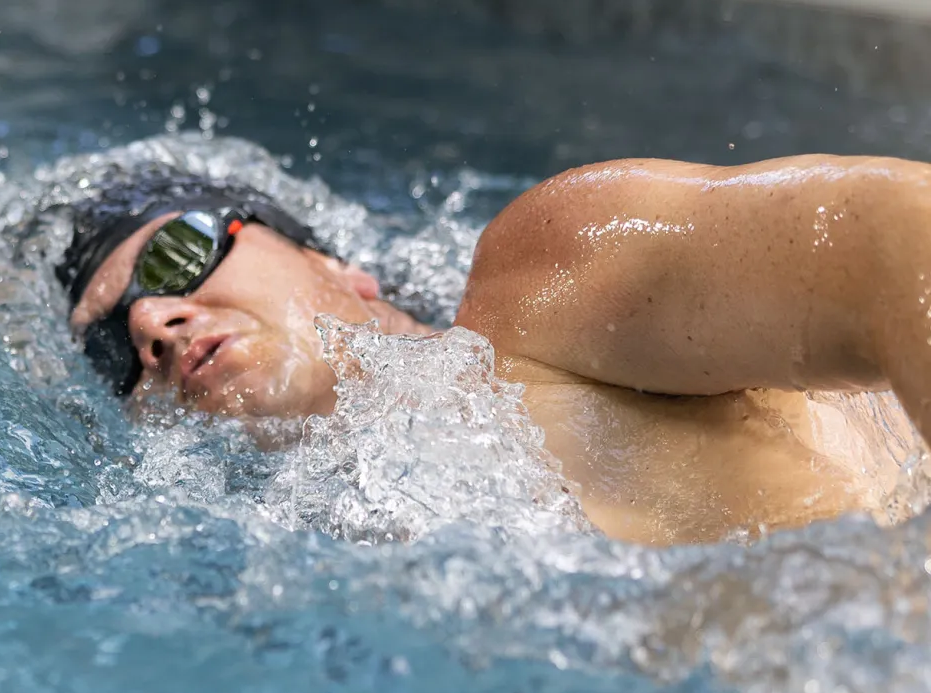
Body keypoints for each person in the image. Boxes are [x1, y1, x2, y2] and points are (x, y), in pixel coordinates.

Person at [54, 154, 931, 546]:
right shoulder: (315, 559)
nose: (151, 324)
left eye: (177, 255)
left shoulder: (545, 283)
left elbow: (900, 241)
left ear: (332, 263)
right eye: (108, 352)